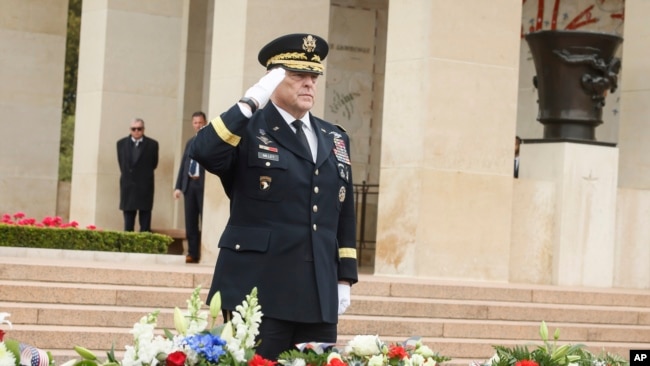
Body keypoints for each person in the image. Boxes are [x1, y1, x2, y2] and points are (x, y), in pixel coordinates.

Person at [190, 33, 358, 360]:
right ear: (273, 79)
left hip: (317, 291)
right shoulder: (248, 129)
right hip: (257, 288)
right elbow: (203, 151)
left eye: (314, 76)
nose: (309, 83)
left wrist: (344, 277)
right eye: (297, 76)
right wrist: (249, 103)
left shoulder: (334, 136)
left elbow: (344, 211)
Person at [174, 111, 208, 263]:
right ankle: (192, 253)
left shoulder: (209, 141)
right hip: (189, 185)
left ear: (205, 122)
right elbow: (183, 165)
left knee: (203, 219)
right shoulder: (190, 142)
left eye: (200, 122)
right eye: (195, 123)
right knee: (190, 221)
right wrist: (178, 187)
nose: (198, 125)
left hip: (203, 186)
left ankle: (204, 252)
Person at [116, 118, 159, 232]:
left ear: (143, 129)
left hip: (145, 187)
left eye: (139, 129)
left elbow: (154, 164)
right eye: (133, 129)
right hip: (128, 187)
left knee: (145, 223)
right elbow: (122, 164)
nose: (136, 131)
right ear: (130, 130)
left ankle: (144, 248)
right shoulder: (121, 144)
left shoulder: (152, 145)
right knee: (128, 223)